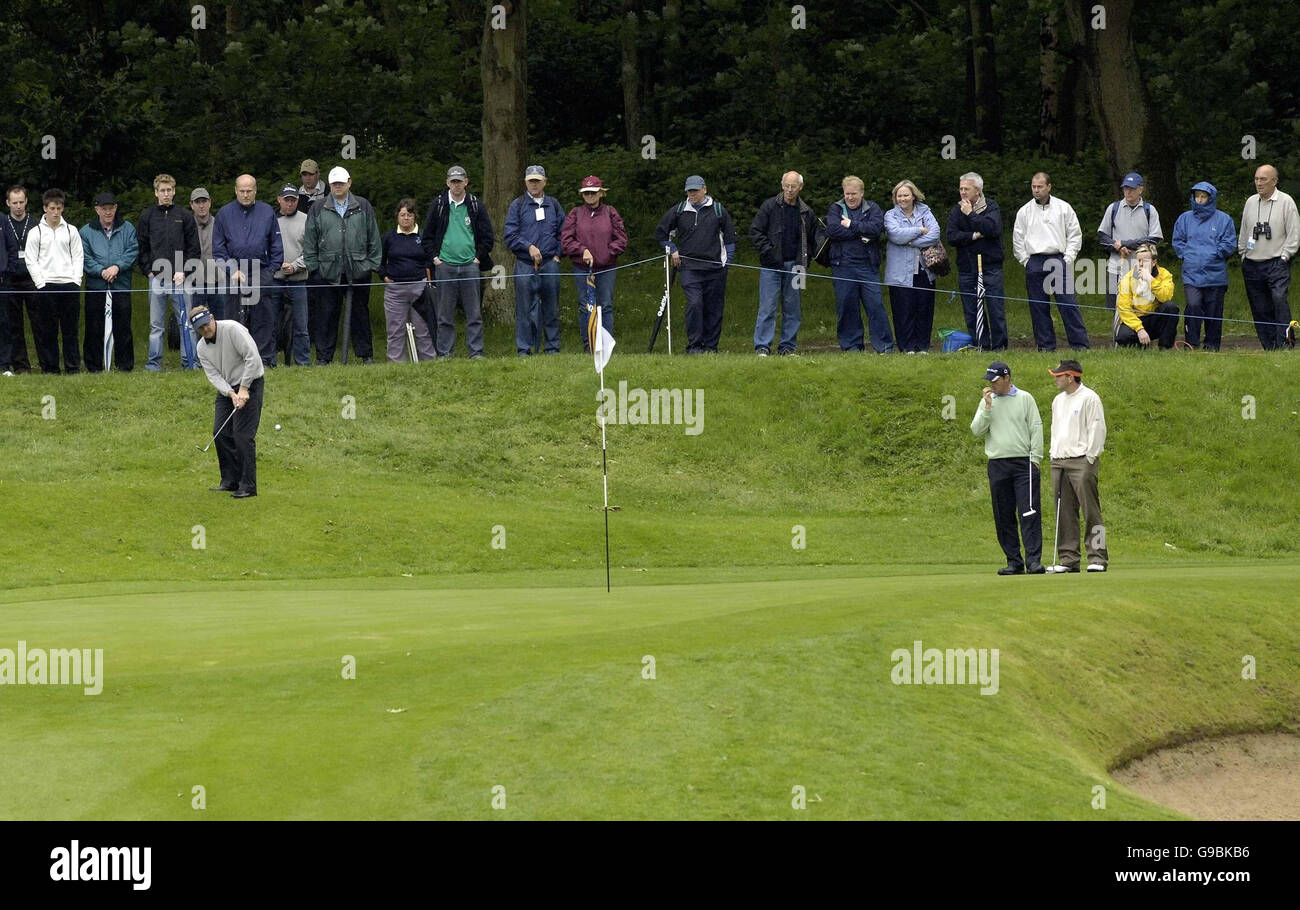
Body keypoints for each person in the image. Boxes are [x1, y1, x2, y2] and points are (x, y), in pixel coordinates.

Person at [971, 361, 1044, 575]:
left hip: (1024, 463)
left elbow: (1036, 427)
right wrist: (986, 408)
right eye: (989, 381)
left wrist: (1036, 458)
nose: (991, 385)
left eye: (995, 381)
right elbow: (976, 430)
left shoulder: (1025, 398)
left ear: (1007, 378)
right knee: (1004, 514)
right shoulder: (987, 402)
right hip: (998, 464)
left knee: (1029, 512)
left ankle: (1033, 561)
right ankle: (1014, 561)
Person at [301, 167, 381, 364]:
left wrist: (370, 265)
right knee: (326, 316)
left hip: (358, 270)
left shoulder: (363, 205)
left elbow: (374, 238)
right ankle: (324, 358)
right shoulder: (318, 207)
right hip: (327, 272)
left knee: (360, 315)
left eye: (341, 183)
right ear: (330, 185)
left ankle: (366, 355)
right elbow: (310, 241)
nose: (338, 186)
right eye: (335, 184)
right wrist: (314, 268)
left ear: (349, 183)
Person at [653, 175, 737, 354]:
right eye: (689, 191)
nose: (692, 194)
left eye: (695, 191)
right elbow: (661, 234)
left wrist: (727, 262)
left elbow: (730, 238)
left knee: (714, 308)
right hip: (689, 268)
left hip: (716, 268)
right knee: (695, 304)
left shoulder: (718, 210)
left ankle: (711, 347)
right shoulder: (679, 210)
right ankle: (695, 346)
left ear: (704, 189)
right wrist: (672, 248)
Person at [191, 304, 264, 499]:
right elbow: (213, 375)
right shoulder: (201, 348)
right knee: (220, 432)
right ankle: (230, 480)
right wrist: (231, 393)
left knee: (242, 435)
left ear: (212, 318)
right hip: (229, 388)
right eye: (201, 328)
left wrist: (244, 388)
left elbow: (253, 358)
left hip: (251, 381)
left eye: (207, 324)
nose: (206, 329)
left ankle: (248, 486)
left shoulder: (232, 329)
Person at [1012, 172, 1089, 351]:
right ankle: (1045, 346)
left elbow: (1075, 235)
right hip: (1035, 261)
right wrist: (1026, 261)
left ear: (1049, 187)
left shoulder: (1063, 208)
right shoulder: (1024, 211)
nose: (1036, 190)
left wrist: (1067, 259)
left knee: (1068, 304)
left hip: (1058, 259)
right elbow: (1018, 239)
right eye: (1033, 186)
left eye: (1039, 187)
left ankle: (1080, 346)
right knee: (1038, 307)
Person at [423, 165, 494, 359]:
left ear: (466, 182)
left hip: (470, 266)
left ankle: (476, 352)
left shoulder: (474, 204)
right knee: (444, 314)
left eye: (459, 181)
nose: (456, 185)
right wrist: (435, 259)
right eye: (453, 181)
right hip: (445, 266)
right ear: (447, 183)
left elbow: (488, 237)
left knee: (474, 313)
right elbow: (427, 237)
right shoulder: (438, 205)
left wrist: (478, 258)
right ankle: (445, 353)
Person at [749, 171, 821, 356]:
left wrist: (807, 258)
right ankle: (762, 347)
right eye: (786, 185)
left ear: (800, 187)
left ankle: (788, 347)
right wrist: (769, 252)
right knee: (767, 307)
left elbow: (813, 240)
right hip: (770, 266)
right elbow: (755, 232)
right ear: (782, 185)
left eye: (793, 186)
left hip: (797, 267)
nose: (789, 189)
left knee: (793, 309)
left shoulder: (806, 212)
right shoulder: (769, 206)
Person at [1046, 360, 1107, 573]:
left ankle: (1098, 557)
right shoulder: (1057, 400)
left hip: (1082, 460)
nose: (1055, 379)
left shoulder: (1089, 398)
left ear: (1070, 377)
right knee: (1064, 512)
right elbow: (1056, 430)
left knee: (1092, 511)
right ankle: (1068, 559)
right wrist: (1054, 453)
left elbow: (1097, 429)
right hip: (1059, 461)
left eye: (1058, 376)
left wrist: (1090, 457)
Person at [138, 173, 201, 370]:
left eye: (169, 190)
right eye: (162, 191)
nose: (166, 194)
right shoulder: (147, 216)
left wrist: (184, 271)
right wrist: (148, 270)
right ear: (156, 192)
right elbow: (142, 246)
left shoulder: (184, 216)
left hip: (181, 278)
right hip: (156, 278)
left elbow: (194, 249)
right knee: (156, 325)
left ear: (173, 192)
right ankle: (153, 364)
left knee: (187, 324)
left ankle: (190, 363)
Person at [825, 175, 891, 353]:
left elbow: (876, 229)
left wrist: (850, 225)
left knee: (875, 305)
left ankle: (884, 346)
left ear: (862, 193)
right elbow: (832, 230)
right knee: (847, 306)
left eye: (854, 193)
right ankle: (851, 346)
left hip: (868, 266)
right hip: (842, 265)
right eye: (847, 194)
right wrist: (860, 232)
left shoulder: (873, 208)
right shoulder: (836, 208)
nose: (850, 197)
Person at [504, 165, 565, 355]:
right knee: (524, 310)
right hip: (525, 265)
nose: (534, 184)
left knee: (551, 309)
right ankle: (524, 349)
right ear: (525, 182)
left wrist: (557, 255)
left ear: (544, 182)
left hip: (549, 265)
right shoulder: (518, 205)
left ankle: (552, 348)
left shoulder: (553, 204)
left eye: (538, 180)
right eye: (531, 180)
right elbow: (510, 235)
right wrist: (528, 247)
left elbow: (565, 233)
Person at [1238, 164, 1300, 350]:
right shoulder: (1250, 202)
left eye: (1263, 179)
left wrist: (1284, 256)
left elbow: (1294, 234)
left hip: (1276, 263)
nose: (1259, 183)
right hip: (1252, 263)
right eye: (1256, 179)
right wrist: (1243, 254)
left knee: (1279, 300)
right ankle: (1269, 346)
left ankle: (1285, 343)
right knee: (1259, 306)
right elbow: (1244, 231)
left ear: (1275, 181)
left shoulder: (1286, 201)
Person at [561, 175, 627, 350]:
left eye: (593, 192)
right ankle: (589, 345)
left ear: (601, 193)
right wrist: (582, 250)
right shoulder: (575, 213)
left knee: (605, 305)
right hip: (582, 269)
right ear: (582, 195)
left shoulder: (611, 212)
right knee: (586, 306)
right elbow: (566, 241)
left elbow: (621, 240)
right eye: (586, 192)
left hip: (606, 268)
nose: (590, 195)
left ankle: (606, 345)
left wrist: (606, 254)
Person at [1171, 181, 1237, 350]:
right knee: (1193, 305)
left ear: (1210, 198)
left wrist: (1214, 253)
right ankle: (1191, 343)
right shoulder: (1184, 218)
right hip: (1192, 273)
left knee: (1213, 311)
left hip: (1216, 274)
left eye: (1203, 196)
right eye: (1197, 196)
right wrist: (1188, 254)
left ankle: (1212, 346)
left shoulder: (1224, 219)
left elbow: (1229, 243)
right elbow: (1178, 241)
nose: (1199, 199)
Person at [212, 174, 283, 331]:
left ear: (255, 191)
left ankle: (263, 356)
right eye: (242, 191)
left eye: (249, 191)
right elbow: (218, 250)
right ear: (236, 190)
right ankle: (235, 356)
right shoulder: (224, 214)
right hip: (234, 276)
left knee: (263, 322)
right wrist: (231, 269)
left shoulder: (267, 212)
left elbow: (276, 245)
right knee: (234, 323)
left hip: (261, 273)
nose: (245, 194)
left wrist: (271, 271)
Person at [24, 188, 84, 373]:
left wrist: (76, 281)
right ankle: (51, 368)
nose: (55, 212)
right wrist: (40, 284)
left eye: (59, 208)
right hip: (46, 286)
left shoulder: (71, 230)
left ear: (63, 208)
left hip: (69, 286)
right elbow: (30, 259)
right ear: (45, 208)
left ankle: (72, 367)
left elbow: (78, 256)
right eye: (52, 208)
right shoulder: (36, 232)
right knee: (48, 331)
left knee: (70, 331)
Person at [79, 192, 139, 372]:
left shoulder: (127, 228)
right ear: (97, 210)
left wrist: (117, 268)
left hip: (120, 284)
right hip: (96, 286)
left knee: (123, 327)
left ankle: (124, 366)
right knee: (93, 327)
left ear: (116, 208)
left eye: (111, 208)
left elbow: (132, 251)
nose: (108, 212)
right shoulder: (86, 231)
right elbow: (85, 257)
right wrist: (102, 271)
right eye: (104, 209)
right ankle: (94, 366)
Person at [947, 172, 1007, 350]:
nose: (963, 192)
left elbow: (992, 229)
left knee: (995, 308)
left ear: (978, 191)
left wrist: (971, 215)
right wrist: (974, 235)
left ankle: (1000, 347)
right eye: (961, 189)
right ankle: (981, 344)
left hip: (991, 266)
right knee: (971, 310)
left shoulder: (991, 207)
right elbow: (951, 237)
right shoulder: (956, 210)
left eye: (967, 189)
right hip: (967, 267)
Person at [883, 179, 942, 354]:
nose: (903, 199)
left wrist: (909, 241)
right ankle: (906, 347)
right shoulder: (890, 215)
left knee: (924, 308)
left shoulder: (925, 211)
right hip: (899, 272)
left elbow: (935, 234)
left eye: (906, 195)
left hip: (925, 269)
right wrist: (920, 230)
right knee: (903, 310)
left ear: (913, 195)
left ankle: (923, 346)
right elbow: (895, 235)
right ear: (895, 197)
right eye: (899, 195)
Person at [379, 198, 437, 362]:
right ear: (397, 216)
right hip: (395, 290)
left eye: (409, 215)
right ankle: (396, 364)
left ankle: (429, 363)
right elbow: (380, 261)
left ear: (415, 216)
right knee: (395, 330)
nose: (406, 218)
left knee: (423, 329)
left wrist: (427, 279)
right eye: (403, 214)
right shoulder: (389, 237)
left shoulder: (423, 236)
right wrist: (384, 276)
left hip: (419, 289)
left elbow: (430, 259)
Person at [260, 184, 311, 367]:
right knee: (271, 323)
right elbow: (263, 248)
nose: (290, 203)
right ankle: (269, 361)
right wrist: (276, 265)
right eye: (287, 199)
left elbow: (311, 251)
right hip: (274, 279)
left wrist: (296, 266)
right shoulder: (269, 220)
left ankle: (302, 363)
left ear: (298, 200)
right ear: (279, 199)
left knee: (301, 326)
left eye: (293, 200)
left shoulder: (306, 220)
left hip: (298, 280)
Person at [1097, 173, 1163, 312]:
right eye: (1125, 188)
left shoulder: (1149, 210)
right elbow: (1103, 237)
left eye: (1132, 188)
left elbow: (1154, 238)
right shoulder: (1113, 208)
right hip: (1116, 267)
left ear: (1141, 189)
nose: (1128, 192)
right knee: (1115, 309)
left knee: (1142, 307)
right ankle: (1117, 334)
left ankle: (1140, 333)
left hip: (1142, 269)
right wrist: (1118, 248)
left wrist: (1125, 243)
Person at [1114, 243, 1178, 349]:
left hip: (1155, 318)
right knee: (1123, 338)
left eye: (1145, 261)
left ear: (1154, 262)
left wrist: (1150, 279)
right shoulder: (1128, 278)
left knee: (1171, 307)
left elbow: (1166, 297)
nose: (1141, 264)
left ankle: (1165, 347)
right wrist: (1139, 329)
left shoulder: (1164, 274)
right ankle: (1140, 345)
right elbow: (1124, 309)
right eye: (1139, 260)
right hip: (1137, 318)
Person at [5, 185, 40, 373]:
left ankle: (46, 363)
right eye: (14, 202)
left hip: (33, 279)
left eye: (21, 202)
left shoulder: (35, 223)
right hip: (11, 280)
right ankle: (21, 366)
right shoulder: (3, 224)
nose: (18, 206)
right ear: (8, 203)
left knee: (39, 322)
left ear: (26, 201)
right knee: (14, 325)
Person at [189, 187, 221, 316]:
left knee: (220, 321)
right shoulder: (187, 225)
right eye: (197, 202)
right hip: (195, 281)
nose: (201, 206)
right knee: (196, 321)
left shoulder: (220, 223)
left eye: (204, 201)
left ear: (210, 202)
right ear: (191, 205)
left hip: (217, 281)